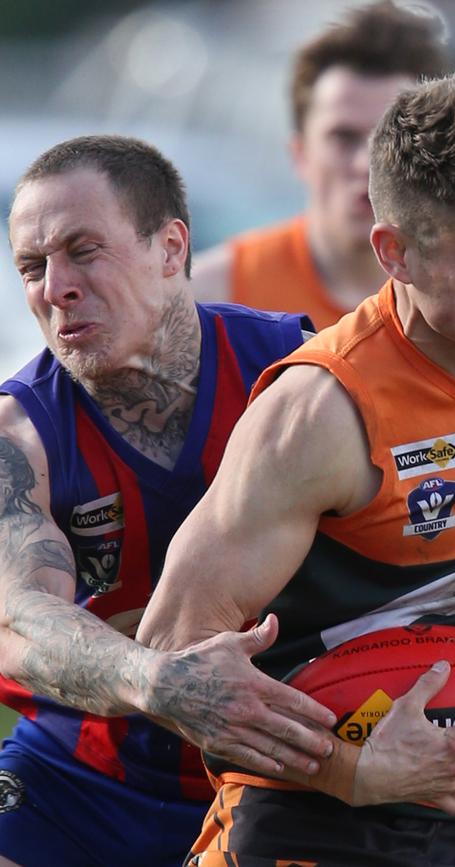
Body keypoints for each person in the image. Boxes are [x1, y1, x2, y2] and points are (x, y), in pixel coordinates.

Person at [137, 69, 455, 866]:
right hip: (312, 828)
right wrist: (350, 767)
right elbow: (170, 652)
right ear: (396, 252)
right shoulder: (322, 415)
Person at [0, 134, 342, 867]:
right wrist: (158, 682)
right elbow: (18, 621)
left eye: (83, 250)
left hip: (281, 771)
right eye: (32, 266)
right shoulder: (18, 434)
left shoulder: (298, 374)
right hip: (80, 779)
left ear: (171, 248)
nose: (53, 286)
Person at [191, 0, 452, 329]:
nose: (366, 164)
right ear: (300, 154)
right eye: (344, 137)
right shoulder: (209, 300)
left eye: (394, 136)